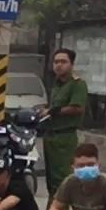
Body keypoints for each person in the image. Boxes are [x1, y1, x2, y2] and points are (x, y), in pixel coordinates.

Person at [42, 48, 90, 200]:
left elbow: (77, 107)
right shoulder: (56, 84)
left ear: (72, 64)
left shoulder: (77, 84)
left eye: (63, 62)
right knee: (51, 180)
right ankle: (52, 208)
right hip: (50, 136)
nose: (59, 65)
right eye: (56, 62)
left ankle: (62, 209)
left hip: (65, 137)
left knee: (63, 179)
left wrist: (54, 111)